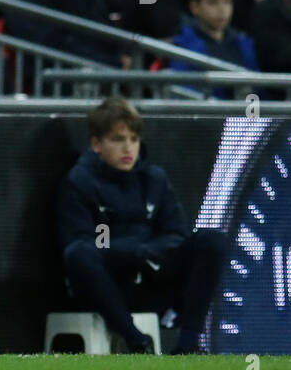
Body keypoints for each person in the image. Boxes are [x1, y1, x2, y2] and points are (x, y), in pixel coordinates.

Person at [58, 97, 229, 354]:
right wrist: (133, 252)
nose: (128, 148)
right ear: (96, 144)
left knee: (212, 241)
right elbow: (83, 243)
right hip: (109, 285)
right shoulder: (80, 182)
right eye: (118, 140)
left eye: (134, 139)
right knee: (79, 255)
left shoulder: (154, 179)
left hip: (154, 275)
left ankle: (189, 344)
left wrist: (147, 254)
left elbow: (176, 234)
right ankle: (136, 340)